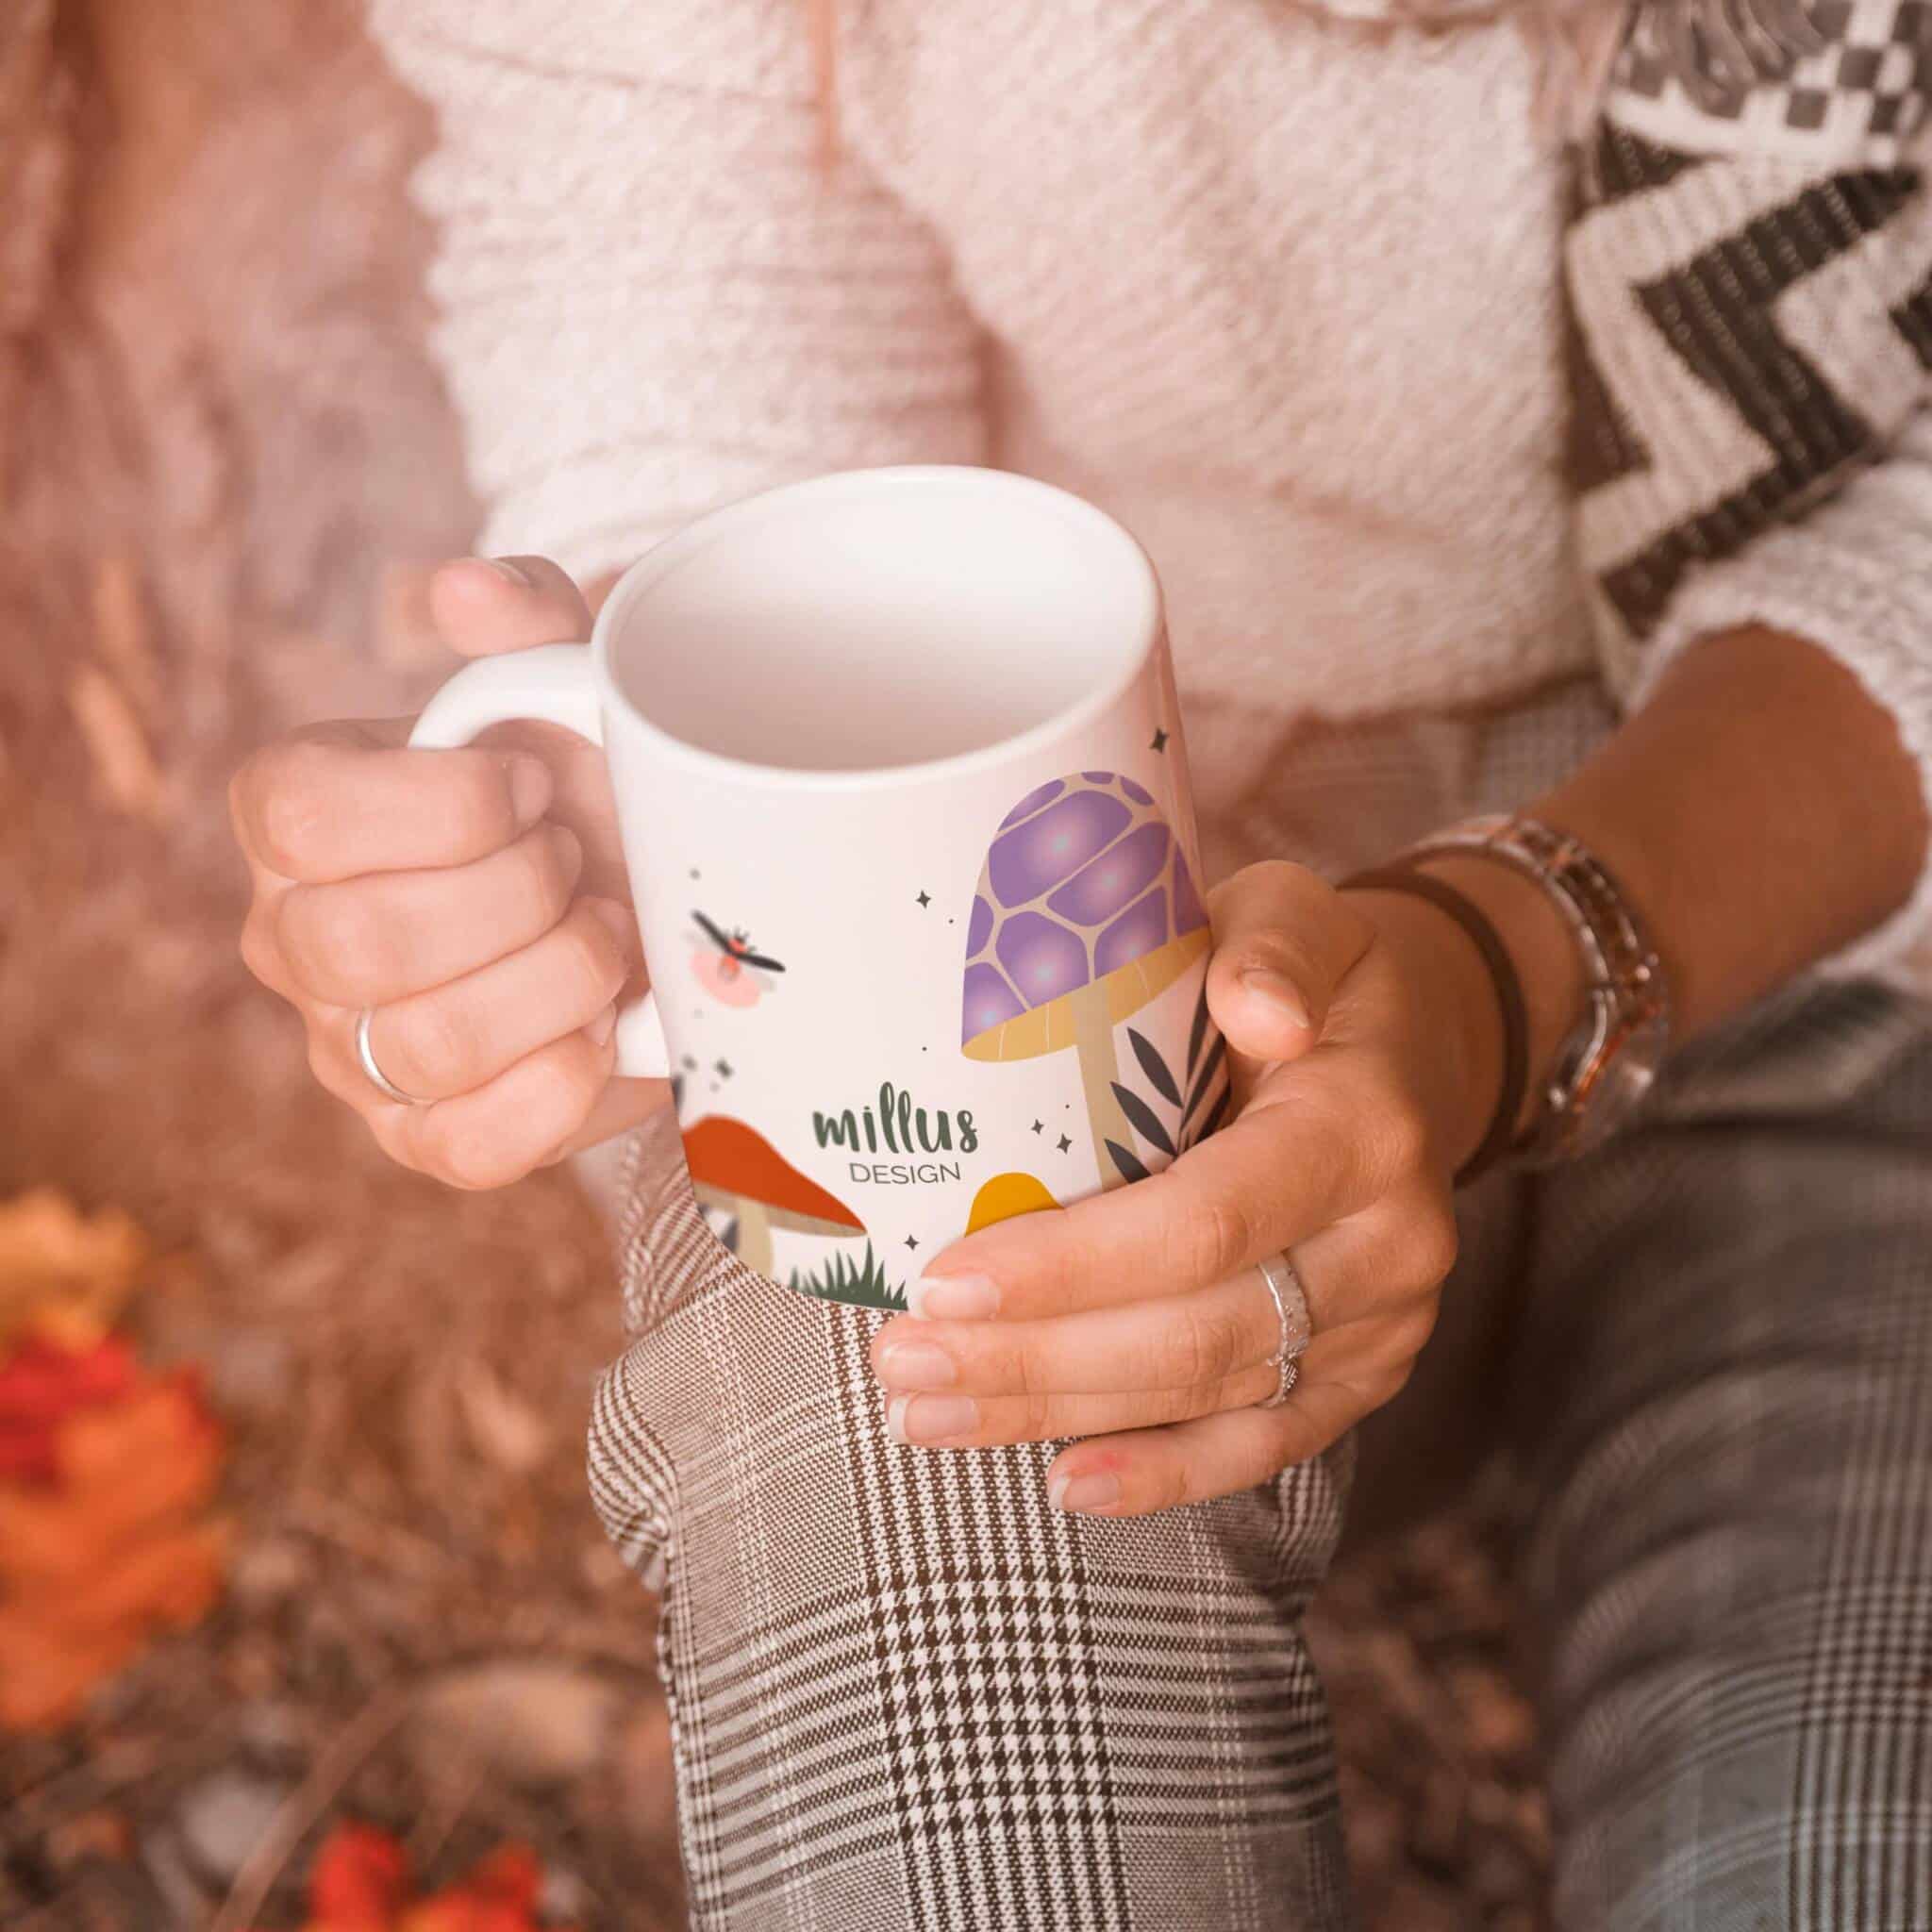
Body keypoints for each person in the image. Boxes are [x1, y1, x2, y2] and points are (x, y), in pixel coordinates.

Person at [229, 0, 1932, 1924]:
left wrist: (1489, 975)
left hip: (1857, 916)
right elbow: (681, 305)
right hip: (1104, 884)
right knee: (941, 1536)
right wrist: (603, 856)